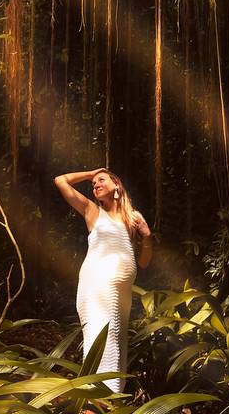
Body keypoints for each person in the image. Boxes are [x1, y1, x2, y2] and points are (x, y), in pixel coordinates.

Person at [54, 168, 154, 394]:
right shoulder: (92, 211)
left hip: (121, 295)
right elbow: (60, 181)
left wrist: (147, 236)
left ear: (116, 185)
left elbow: (145, 262)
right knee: (100, 343)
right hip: (96, 287)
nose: (95, 184)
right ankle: (93, 402)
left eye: (102, 180)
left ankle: (110, 401)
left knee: (117, 348)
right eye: (93, 183)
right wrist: (91, 172)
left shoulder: (132, 218)